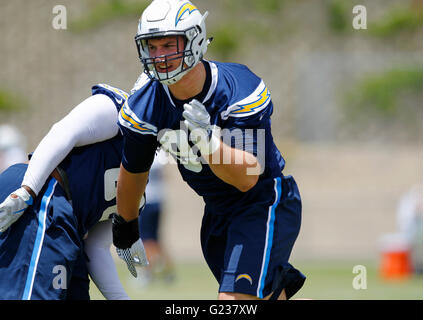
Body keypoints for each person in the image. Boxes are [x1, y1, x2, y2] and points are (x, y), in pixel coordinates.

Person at [114, 0, 306, 300]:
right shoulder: (145, 104)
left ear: (196, 40)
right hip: (217, 213)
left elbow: (247, 179)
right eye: (152, 47)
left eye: (169, 45)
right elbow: (134, 170)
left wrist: (209, 143)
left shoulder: (237, 89)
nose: (160, 56)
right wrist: (126, 225)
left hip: (262, 202)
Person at [0, 84, 148, 300]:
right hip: (42, 197)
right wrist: (28, 191)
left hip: (65, 220)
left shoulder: (141, 173)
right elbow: (63, 132)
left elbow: (96, 248)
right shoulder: (116, 109)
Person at [137, 149, 175, 286]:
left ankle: (147, 273)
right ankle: (169, 271)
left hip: (148, 201)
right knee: (155, 239)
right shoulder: (160, 157)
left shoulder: (144, 154)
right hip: (159, 199)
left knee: (146, 239)